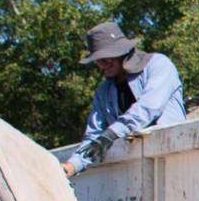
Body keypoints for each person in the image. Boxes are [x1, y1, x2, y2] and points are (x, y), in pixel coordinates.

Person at [63, 21, 187, 179]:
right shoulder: (103, 92)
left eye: (105, 58)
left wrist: (112, 133)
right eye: (97, 60)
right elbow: (94, 136)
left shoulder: (158, 65)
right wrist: (72, 165)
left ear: (121, 51)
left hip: (174, 158)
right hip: (134, 174)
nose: (101, 64)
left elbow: (148, 108)